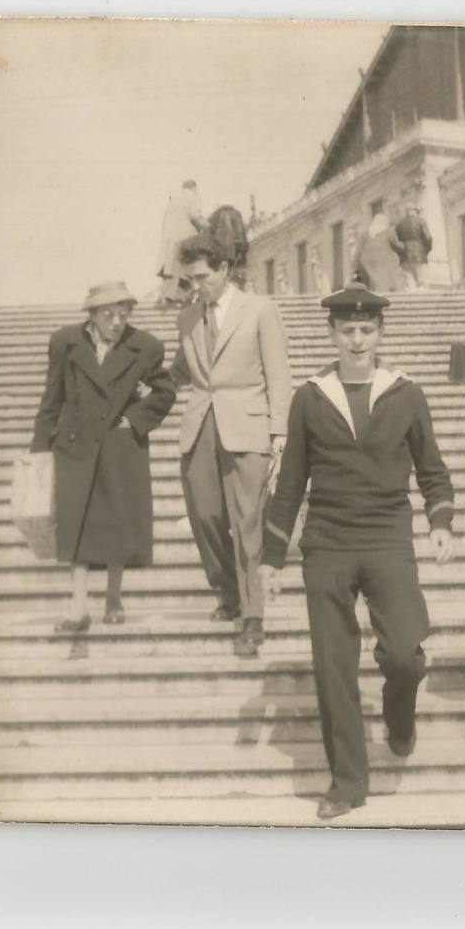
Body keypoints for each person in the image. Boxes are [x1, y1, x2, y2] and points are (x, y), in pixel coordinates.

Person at [259, 284, 456, 820]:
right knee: (334, 666)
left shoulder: (406, 393)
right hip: (327, 542)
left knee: (403, 656)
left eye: (367, 330)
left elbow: (433, 469)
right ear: (333, 334)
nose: (357, 339)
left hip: (388, 537)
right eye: (347, 330)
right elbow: (290, 483)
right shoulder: (310, 395)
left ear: (380, 334)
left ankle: (399, 714)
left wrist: (440, 521)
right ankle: (347, 782)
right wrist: (271, 558)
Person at [171, 232, 293, 657]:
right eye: (188, 280)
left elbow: (278, 373)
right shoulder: (188, 317)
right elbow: (181, 370)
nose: (195, 286)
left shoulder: (260, 309)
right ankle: (228, 592)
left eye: (202, 277)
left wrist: (280, 431)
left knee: (248, 524)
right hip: (200, 426)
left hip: (248, 427)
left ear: (224, 270)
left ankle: (252, 616)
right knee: (204, 516)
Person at [31, 282, 178, 632]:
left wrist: (135, 420)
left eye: (123, 315)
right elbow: (52, 397)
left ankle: (114, 598)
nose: (116, 322)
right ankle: (78, 608)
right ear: (92, 315)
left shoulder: (145, 347)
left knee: (116, 524)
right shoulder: (65, 343)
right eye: (109, 315)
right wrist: (39, 449)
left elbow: (165, 390)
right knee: (76, 526)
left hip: (118, 448)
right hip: (74, 446)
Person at [156, 179, 205, 307]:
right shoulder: (193, 197)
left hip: (170, 239)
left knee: (171, 270)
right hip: (186, 239)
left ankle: (169, 299)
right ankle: (185, 299)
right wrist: (207, 228)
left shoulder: (172, 200)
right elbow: (195, 216)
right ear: (194, 188)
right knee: (191, 268)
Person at [354, 213, 402, 295]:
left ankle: (376, 294)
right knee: (383, 279)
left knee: (374, 279)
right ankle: (384, 294)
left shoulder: (365, 233)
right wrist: (403, 247)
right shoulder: (388, 232)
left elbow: (358, 250)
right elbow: (396, 245)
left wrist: (355, 265)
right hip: (383, 260)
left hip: (367, 260)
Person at [393, 206, 434, 290]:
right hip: (419, 254)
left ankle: (411, 298)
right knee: (422, 281)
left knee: (409, 281)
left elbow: (395, 240)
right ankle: (423, 300)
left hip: (404, 255)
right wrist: (427, 249)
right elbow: (428, 237)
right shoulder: (420, 221)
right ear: (416, 211)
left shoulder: (399, 224)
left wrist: (400, 252)